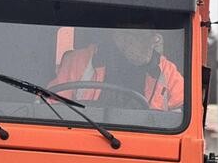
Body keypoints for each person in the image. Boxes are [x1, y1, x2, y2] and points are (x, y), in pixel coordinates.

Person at [50, 28, 184, 110]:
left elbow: (183, 111)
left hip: (146, 145)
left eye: (153, 37)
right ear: (118, 36)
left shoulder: (166, 71)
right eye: (136, 36)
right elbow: (52, 105)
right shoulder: (79, 60)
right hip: (85, 136)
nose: (151, 42)